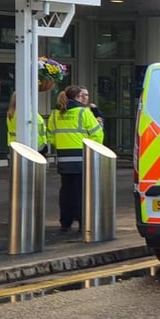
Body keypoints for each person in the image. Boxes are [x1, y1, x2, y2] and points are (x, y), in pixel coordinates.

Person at [47, 86, 104, 233]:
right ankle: (82, 222)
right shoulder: (84, 112)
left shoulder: (55, 114)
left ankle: (65, 223)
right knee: (81, 191)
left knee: (66, 191)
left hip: (64, 158)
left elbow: (51, 137)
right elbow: (97, 135)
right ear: (77, 97)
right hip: (82, 157)